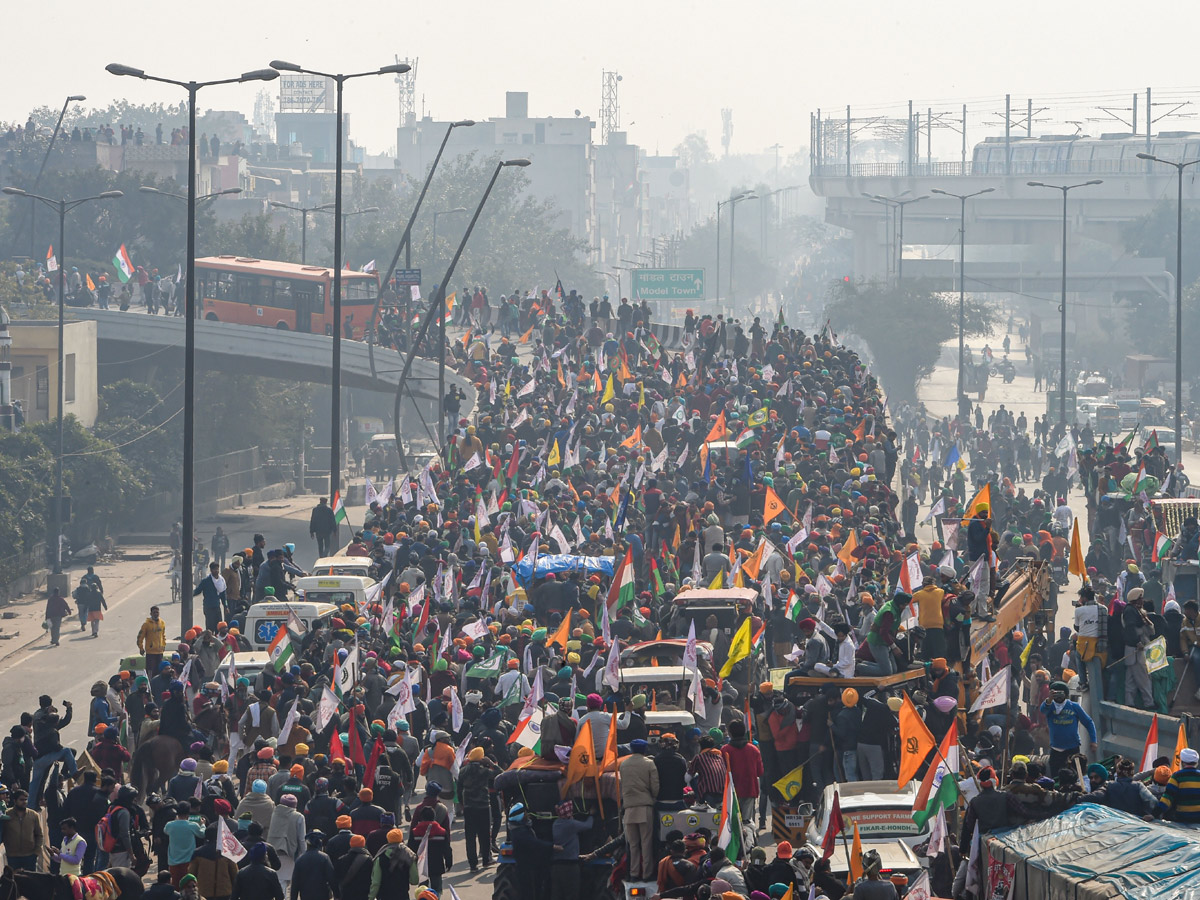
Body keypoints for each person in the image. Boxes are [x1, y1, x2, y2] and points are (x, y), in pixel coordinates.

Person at [619, 739, 659, 881]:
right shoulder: (649, 763)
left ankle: (634, 873)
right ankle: (646, 874)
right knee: (646, 843)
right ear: (644, 749)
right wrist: (653, 798)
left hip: (629, 808)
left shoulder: (623, 764)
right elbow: (655, 785)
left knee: (633, 844)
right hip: (645, 806)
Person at [1039, 680, 1098, 775]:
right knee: (1056, 776)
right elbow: (1043, 710)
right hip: (1056, 749)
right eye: (1055, 694)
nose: (1058, 697)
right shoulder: (1050, 706)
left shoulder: (1074, 706)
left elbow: (1088, 722)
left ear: (1066, 694)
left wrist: (1093, 741)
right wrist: (1049, 699)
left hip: (1072, 748)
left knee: (1074, 774)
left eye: (1061, 693)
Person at [367, 828, 414, 900]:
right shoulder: (409, 856)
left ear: (388, 840)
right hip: (403, 896)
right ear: (401, 839)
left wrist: (370, 897)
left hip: (385, 896)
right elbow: (414, 880)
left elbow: (376, 882)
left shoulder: (380, 858)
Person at [4, 789, 44, 870]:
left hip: (30, 856)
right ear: (15, 801)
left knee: (30, 881)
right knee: (15, 880)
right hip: (13, 856)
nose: (24, 802)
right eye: (21, 800)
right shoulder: (7, 815)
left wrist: (36, 852)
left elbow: (39, 835)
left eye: (26, 800)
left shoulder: (33, 815)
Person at [290, 831, 337, 900]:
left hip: (305, 896)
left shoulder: (300, 860)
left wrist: (293, 898)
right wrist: (337, 894)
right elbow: (331, 878)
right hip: (323, 895)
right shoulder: (324, 858)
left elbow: (295, 883)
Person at [1158, 747, 1200, 823]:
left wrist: (1154, 814)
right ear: (1196, 763)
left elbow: (1167, 798)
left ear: (1182, 763)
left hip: (1182, 819)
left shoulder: (1177, 776)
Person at [139, 607, 168, 676]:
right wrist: (141, 648)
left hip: (160, 652)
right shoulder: (146, 624)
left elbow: (163, 635)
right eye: (154, 612)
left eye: (157, 612)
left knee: (159, 670)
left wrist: (163, 645)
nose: (156, 614)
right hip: (150, 652)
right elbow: (140, 637)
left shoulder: (162, 623)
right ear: (151, 613)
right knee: (150, 671)